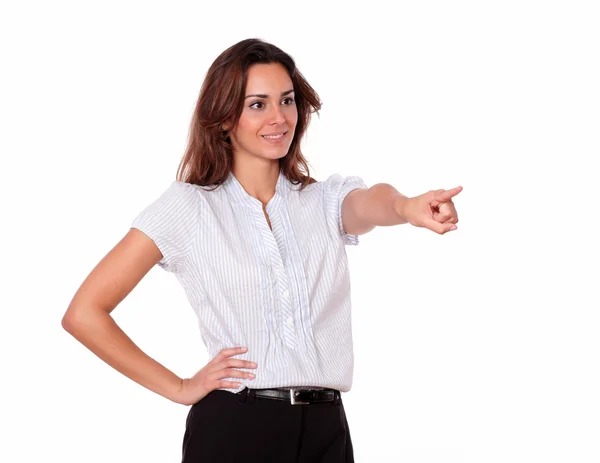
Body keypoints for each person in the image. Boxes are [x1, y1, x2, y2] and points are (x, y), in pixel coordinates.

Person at [62, 38, 461, 462]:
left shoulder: (322, 202)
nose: (279, 118)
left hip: (327, 428)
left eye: (287, 101)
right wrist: (180, 387)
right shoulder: (190, 208)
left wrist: (407, 206)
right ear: (223, 118)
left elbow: (370, 202)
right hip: (236, 427)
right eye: (258, 104)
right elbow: (84, 313)